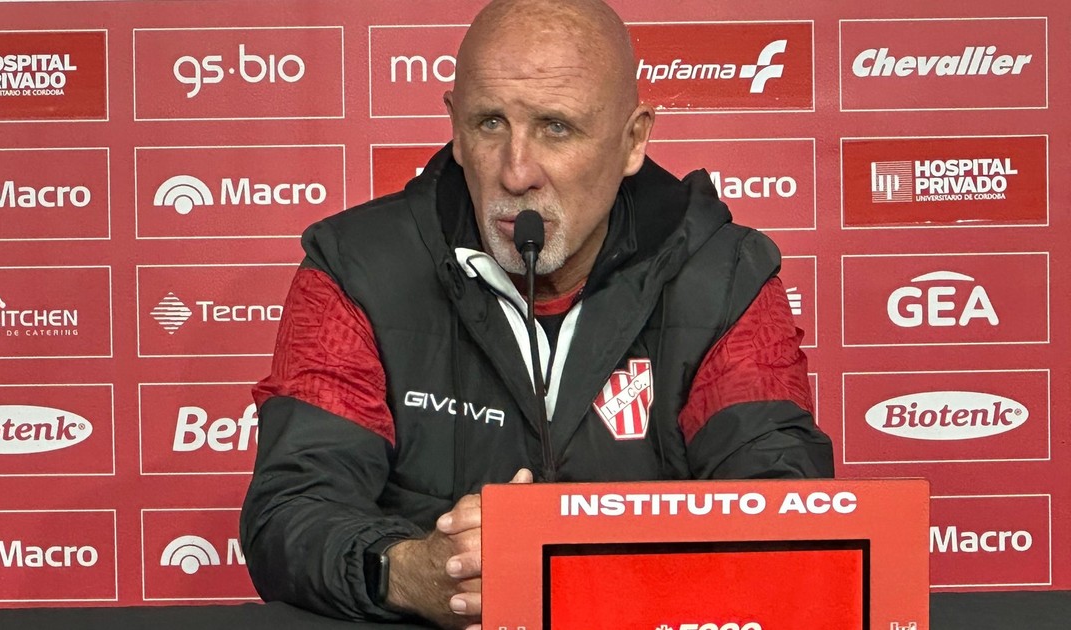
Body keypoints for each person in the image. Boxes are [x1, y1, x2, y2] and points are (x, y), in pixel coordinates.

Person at [240, 0, 834, 627]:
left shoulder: (726, 278)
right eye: (490, 123)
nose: (516, 172)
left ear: (633, 140)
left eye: (556, 127)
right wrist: (410, 570)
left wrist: (585, 564)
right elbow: (291, 513)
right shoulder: (357, 269)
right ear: (455, 127)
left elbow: (784, 509)